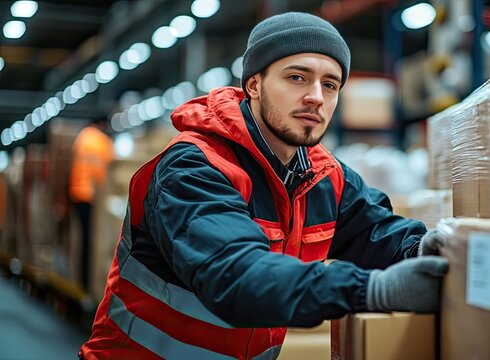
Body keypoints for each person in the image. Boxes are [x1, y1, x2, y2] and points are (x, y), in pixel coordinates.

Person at [79, 12, 448, 359]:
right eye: (297, 77)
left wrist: (422, 248)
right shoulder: (193, 168)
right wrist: (372, 291)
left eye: (330, 84)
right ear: (254, 85)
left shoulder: (323, 177)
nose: (316, 96)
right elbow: (237, 275)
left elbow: (377, 232)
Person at [68, 117, 113, 291]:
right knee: (93, 241)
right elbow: (109, 171)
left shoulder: (82, 137)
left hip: (77, 192)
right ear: (102, 124)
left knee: (82, 238)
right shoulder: (103, 142)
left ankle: (80, 279)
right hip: (93, 196)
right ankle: (89, 283)